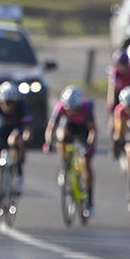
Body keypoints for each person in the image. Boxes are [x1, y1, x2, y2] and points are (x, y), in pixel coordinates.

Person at [46, 85, 97, 216]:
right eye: (70, 109)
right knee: (61, 136)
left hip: (84, 130)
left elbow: (92, 130)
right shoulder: (61, 107)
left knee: (86, 164)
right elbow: (52, 126)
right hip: (70, 127)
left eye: (75, 109)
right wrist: (48, 142)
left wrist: (89, 145)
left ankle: (89, 200)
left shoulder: (86, 108)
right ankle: (65, 164)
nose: (72, 112)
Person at [0, 81, 32, 201]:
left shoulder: (22, 106)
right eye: (6, 102)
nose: (9, 106)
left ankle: (18, 174)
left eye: (12, 102)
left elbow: (27, 127)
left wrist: (25, 138)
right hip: (1, 131)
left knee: (14, 140)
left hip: (16, 130)